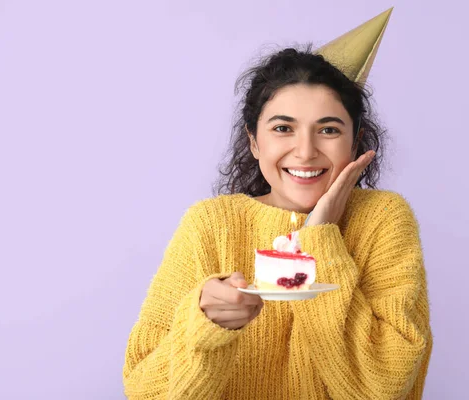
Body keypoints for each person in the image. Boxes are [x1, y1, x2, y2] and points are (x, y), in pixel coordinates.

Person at [123, 8, 432, 399]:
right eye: (283, 128)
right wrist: (203, 326)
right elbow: (144, 391)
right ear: (254, 141)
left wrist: (319, 235)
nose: (305, 151)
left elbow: (383, 387)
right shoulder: (210, 224)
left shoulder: (383, 218)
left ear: (355, 142)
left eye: (329, 129)